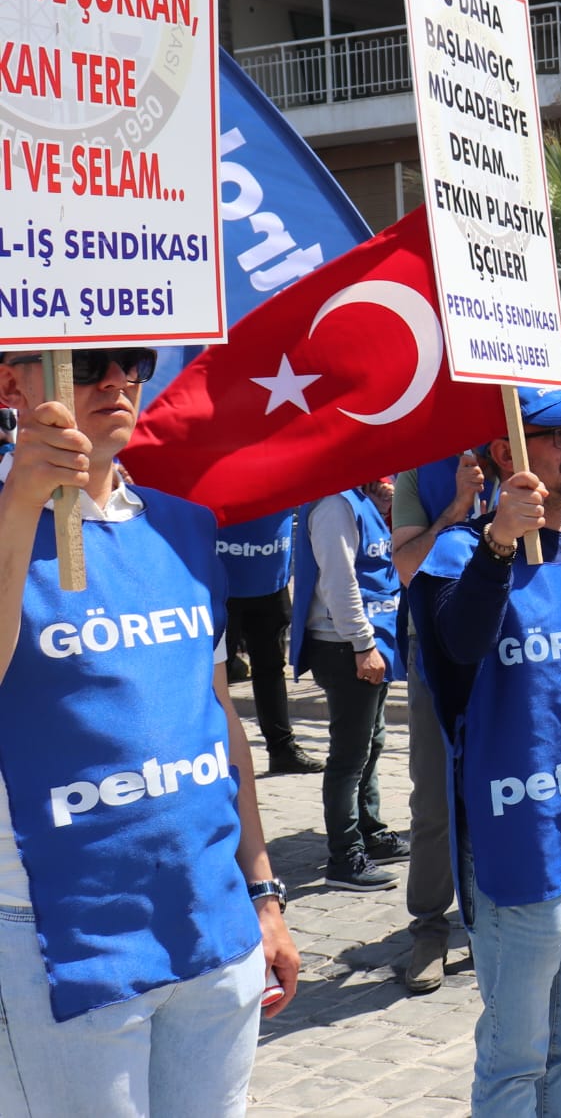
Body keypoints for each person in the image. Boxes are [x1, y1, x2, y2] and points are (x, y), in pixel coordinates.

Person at [0, 348, 299, 1113]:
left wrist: (262, 891)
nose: (114, 381)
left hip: (208, 914)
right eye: (89, 361)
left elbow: (219, 717)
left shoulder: (184, 526)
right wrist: (21, 505)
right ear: (12, 383)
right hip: (62, 932)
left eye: (132, 360)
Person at [410, 389, 561, 1115]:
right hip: (524, 853)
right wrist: (497, 548)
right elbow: (455, 652)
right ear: (507, 453)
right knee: (516, 1057)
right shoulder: (453, 557)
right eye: (555, 435)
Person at [389, 448, 491, 994]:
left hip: (506, 644)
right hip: (431, 646)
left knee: (499, 790)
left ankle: (494, 919)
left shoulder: (520, 452)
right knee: (434, 800)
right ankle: (429, 927)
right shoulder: (416, 469)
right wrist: (456, 508)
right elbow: (407, 565)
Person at [293, 477, 407, 893]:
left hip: (361, 643)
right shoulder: (334, 505)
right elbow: (339, 582)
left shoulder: (355, 499)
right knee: (349, 756)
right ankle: (344, 856)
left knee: (371, 743)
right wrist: (362, 644)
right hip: (346, 646)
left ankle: (370, 833)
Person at [218, 511, 324, 774]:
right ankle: (209, 751)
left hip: (270, 577)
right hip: (223, 578)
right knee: (217, 674)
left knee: (271, 667)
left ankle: (281, 748)